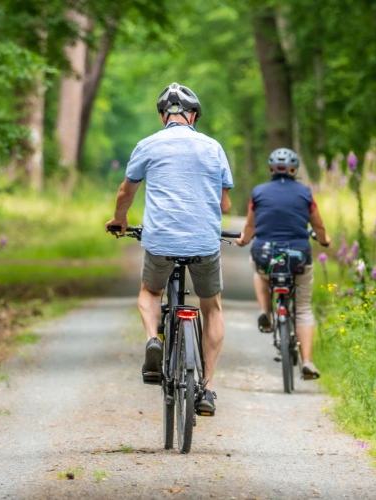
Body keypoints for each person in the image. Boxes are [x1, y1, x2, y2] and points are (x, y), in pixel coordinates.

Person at [106, 82, 233, 415]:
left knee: (150, 291)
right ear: (193, 116)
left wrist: (120, 220)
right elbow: (225, 202)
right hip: (204, 241)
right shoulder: (213, 147)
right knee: (213, 306)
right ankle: (207, 388)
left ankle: (153, 339)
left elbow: (125, 192)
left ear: (164, 115)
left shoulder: (147, 145)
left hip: (160, 239)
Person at [236, 148, 329, 380]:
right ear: (294, 169)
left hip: (266, 254)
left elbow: (250, 226)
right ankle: (307, 361)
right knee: (304, 309)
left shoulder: (258, 192)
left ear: (270, 169)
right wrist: (325, 240)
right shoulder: (306, 193)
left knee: (257, 269)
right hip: (298, 256)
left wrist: (244, 240)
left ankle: (265, 311)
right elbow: (318, 225)